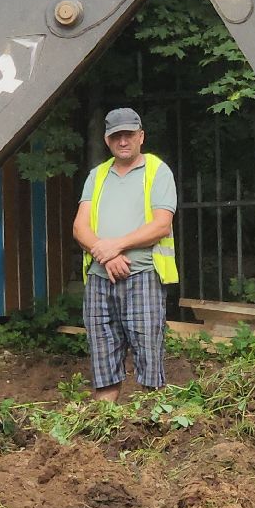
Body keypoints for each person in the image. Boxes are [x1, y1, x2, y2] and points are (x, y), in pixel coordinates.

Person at [73, 108, 178, 401]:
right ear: (107, 141)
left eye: (128, 135)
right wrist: (106, 254)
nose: (123, 141)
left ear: (141, 137)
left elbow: (161, 224)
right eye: (116, 136)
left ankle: (151, 430)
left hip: (142, 276)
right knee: (103, 356)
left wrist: (115, 245)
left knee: (149, 355)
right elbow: (79, 227)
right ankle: (103, 429)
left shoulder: (158, 171)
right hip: (99, 278)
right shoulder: (97, 175)